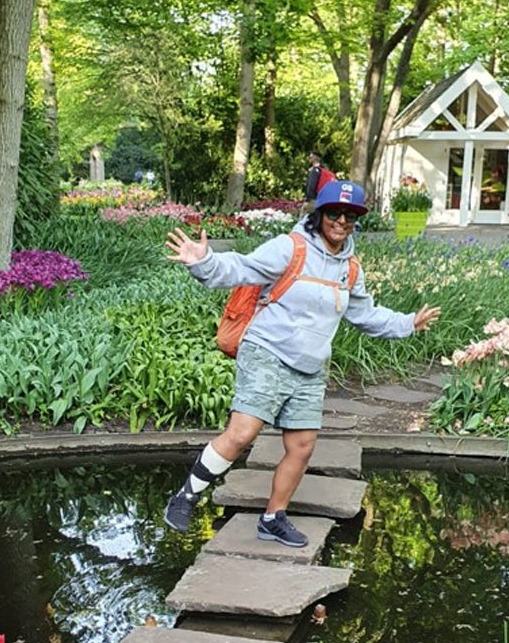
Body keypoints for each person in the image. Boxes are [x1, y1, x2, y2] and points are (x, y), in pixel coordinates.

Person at [162, 179, 441, 546]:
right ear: (320, 214)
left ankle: (273, 518)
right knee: (244, 432)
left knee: (302, 445)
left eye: (350, 215)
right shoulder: (290, 248)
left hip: (310, 367)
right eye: (334, 213)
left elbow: (365, 314)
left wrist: (408, 323)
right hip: (267, 352)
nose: (341, 221)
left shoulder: (350, 269)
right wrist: (205, 261)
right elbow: (242, 268)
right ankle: (184, 497)